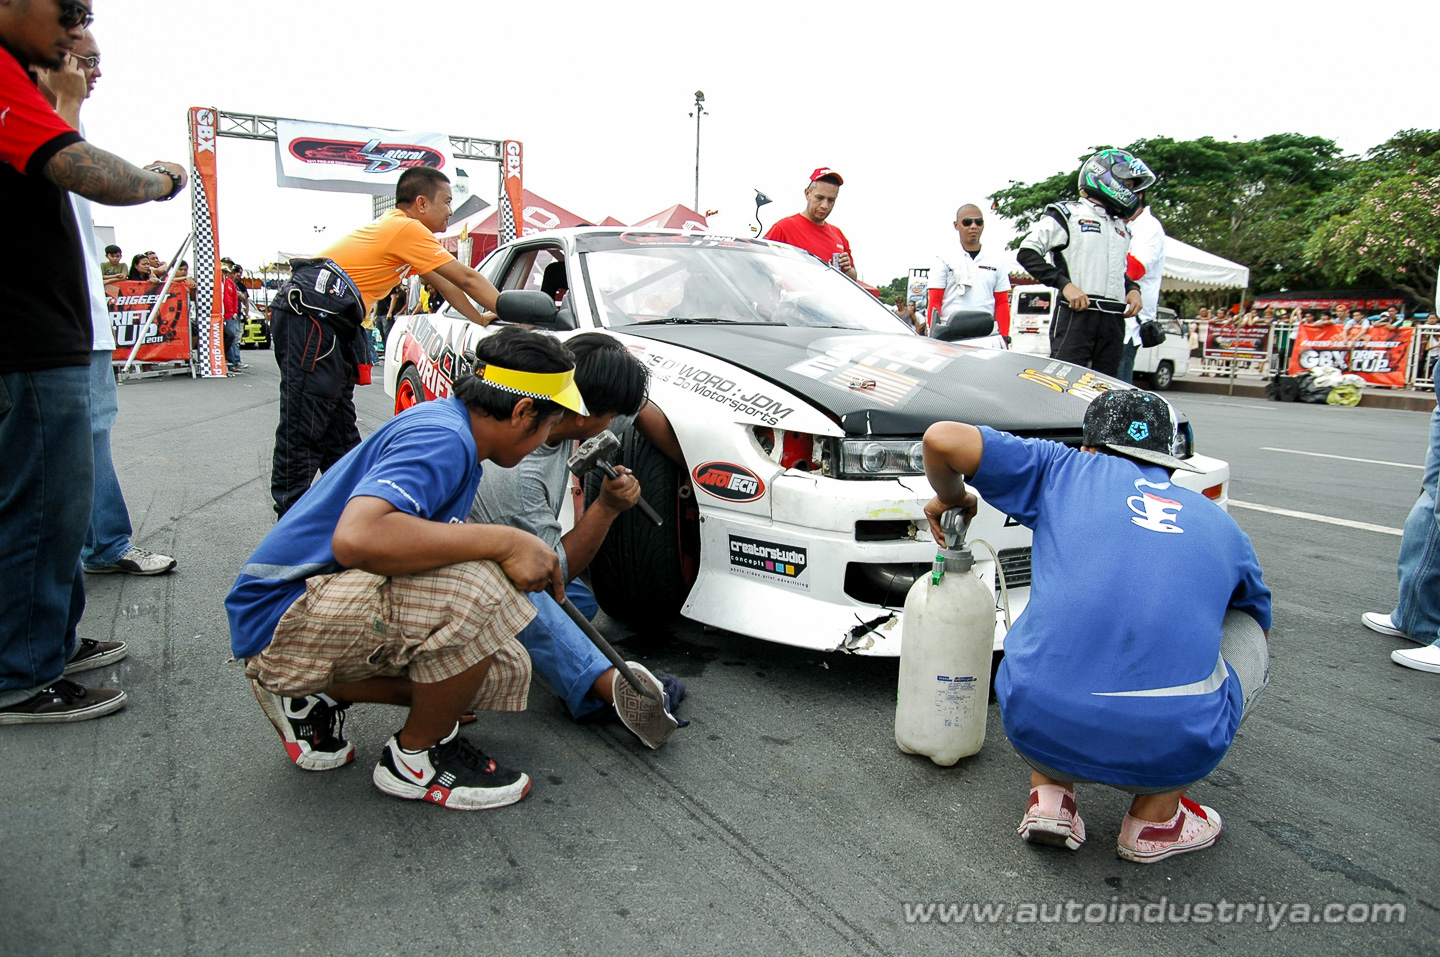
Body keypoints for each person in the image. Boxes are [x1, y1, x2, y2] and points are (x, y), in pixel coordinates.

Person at [228, 327, 584, 809]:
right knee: (486, 589)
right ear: (524, 412)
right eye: (550, 427)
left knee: (495, 670)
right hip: (281, 611)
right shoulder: (443, 437)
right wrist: (506, 540)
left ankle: (310, 693)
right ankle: (415, 762)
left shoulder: (455, 430)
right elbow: (358, 538)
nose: (547, 438)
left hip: (312, 601)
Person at [921, 389, 1272, 862]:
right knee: (1245, 627)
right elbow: (1254, 617)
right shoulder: (1221, 525)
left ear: (1089, 445)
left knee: (1060, 617)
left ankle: (1050, 796)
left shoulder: (1062, 469)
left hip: (1035, 725)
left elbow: (942, 439)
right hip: (1170, 746)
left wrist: (954, 497)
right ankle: (1156, 817)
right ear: (1170, 462)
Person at [0, 0, 188, 725]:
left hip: (48, 330)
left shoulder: (27, 83)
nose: (75, 32)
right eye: (70, 13)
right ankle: (20, 672)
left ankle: (46, 642)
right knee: (41, 505)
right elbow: (86, 172)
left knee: (54, 503)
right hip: (26, 333)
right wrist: (162, 179)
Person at [470, 333, 688, 748]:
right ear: (586, 414)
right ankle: (604, 687)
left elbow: (638, 412)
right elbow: (547, 571)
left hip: (509, 558)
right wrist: (604, 508)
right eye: (609, 416)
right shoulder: (516, 472)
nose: (614, 424)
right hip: (479, 575)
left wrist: (693, 473)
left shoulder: (570, 406)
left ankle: (515, 649)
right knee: (535, 601)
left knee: (580, 603)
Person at [270, 166, 503, 518]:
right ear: (421, 203)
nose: (452, 211)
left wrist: (480, 318)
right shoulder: (405, 227)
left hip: (326, 321)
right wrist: (507, 306)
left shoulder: (403, 232)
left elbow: (445, 282)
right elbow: (467, 276)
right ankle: (288, 526)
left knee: (339, 432)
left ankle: (351, 519)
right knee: (305, 425)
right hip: (313, 317)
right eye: (447, 202)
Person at [37, 28, 178, 579]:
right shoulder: (36, 121)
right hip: (53, 327)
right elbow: (62, 179)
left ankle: (96, 550)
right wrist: (163, 181)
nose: (96, 73)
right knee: (65, 455)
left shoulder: (55, 122)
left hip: (73, 322)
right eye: (87, 60)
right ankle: (43, 640)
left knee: (81, 444)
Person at [1017, 150, 1151, 378]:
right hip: (1077, 314)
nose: (1132, 192)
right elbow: (1027, 253)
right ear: (1108, 179)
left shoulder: (1121, 227)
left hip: (1113, 319)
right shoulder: (1068, 214)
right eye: (1127, 184)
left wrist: (1133, 290)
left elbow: (1117, 270)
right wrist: (1065, 285)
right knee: (1062, 385)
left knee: (1105, 389)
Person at [926, 203, 1011, 340]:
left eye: (978, 222)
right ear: (956, 225)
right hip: (950, 336)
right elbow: (934, 302)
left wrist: (1005, 336)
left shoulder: (996, 261)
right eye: (967, 222)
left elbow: (1002, 302)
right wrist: (933, 338)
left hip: (986, 335)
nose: (973, 226)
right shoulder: (943, 259)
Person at [762, 168, 858, 280]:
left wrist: (847, 269)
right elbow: (759, 266)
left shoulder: (838, 235)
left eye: (831, 200)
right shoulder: (783, 228)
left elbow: (854, 277)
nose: (824, 205)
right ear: (807, 194)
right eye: (819, 198)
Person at [1118, 198, 1166, 383]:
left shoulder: (1148, 226)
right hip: (1110, 316)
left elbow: (1136, 269)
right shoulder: (1119, 222)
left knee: (1118, 382)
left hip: (1130, 319)